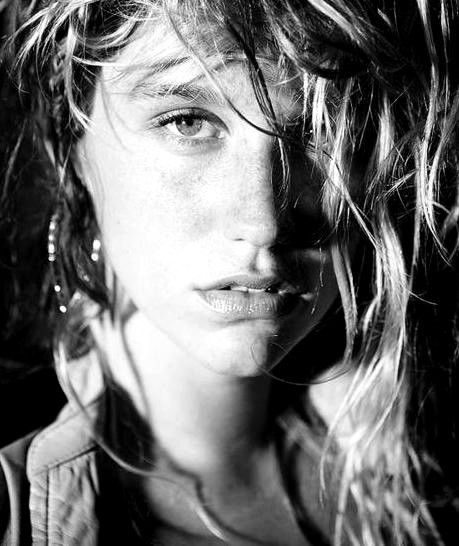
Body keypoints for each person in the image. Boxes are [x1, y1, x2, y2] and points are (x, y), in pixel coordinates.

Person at [1, 0, 458, 544]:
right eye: (187, 121)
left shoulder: (425, 461)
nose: (264, 222)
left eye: (323, 130)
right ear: (72, 142)